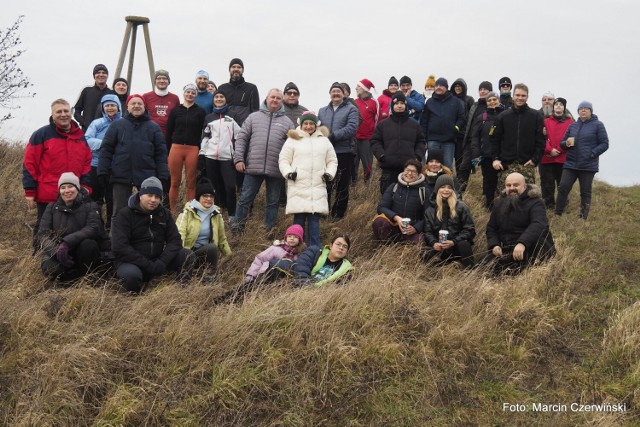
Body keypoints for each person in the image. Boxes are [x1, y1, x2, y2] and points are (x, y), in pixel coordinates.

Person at [111, 177, 194, 293]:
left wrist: (162, 262)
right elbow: (120, 247)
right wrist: (147, 265)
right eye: (149, 195)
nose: (153, 200)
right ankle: (133, 300)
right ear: (140, 195)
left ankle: (182, 290)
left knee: (187, 255)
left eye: (157, 197)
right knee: (131, 276)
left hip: (157, 260)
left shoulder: (164, 214)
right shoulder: (124, 215)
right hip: (132, 262)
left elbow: (175, 241)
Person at [23, 99, 92, 236]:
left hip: (73, 193)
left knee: (69, 229)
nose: (63, 114)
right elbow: (29, 163)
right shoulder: (41, 134)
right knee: (44, 228)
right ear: (52, 115)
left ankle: (65, 256)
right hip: (47, 192)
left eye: (66, 111)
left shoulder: (80, 136)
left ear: (71, 113)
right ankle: (40, 256)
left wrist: (85, 186)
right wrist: (29, 191)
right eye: (58, 112)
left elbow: (87, 163)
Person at [97, 94, 169, 223]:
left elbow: (161, 154)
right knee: (119, 212)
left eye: (139, 104)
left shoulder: (153, 127)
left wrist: (163, 175)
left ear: (144, 107)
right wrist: (102, 171)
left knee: (150, 209)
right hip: (121, 174)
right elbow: (106, 149)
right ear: (127, 107)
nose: (136, 106)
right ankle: (116, 241)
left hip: (147, 175)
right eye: (133, 104)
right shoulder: (117, 125)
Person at [233, 89, 295, 234]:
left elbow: (293, 146)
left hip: (276, 169)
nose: (275, 100)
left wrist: (289, 168)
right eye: (272, 97)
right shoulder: (253, 117)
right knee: (244, 199)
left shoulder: (287, 122)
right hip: (253, 167)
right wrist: (239, 159)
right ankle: (237, 229)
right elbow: (241, 138)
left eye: (278, 98)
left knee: (273, 203)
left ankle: (268, 231)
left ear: (282, 101)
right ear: (266, 99)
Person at [279, 111, 338, 248]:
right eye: (306, 123)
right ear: (301, 124)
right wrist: (289, 173)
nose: (308, 126)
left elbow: (332, 161)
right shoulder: (293, 139)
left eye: (311, 123)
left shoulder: (324, 140)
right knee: (298, 221)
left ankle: (314, 250)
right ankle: (294, 249)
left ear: (315, 125)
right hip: (298, 184)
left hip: (317, 187)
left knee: (314, 221)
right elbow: (283, 160)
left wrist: (329, 174)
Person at [37, 173, 108, 283]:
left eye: (70, 186)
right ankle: (69, 280)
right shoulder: (51, 207)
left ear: (77, 188)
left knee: (89, 244)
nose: (67, 191)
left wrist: (67, 242)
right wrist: (55, 251)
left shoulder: (91, 206)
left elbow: (93, 228)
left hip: (82, 252)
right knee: (50, 268)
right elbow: (43, 234)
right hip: (59, 251)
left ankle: (85, 277)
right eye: (63, 187)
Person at [484, 173, 555, 275]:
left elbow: (538, 224)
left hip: (530, 246)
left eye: (516, 185)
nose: (512, 188)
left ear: (524, 186)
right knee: (487, 268)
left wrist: (522, 243)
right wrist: (494, 244)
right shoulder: (499, 203)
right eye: (508, 185)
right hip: (507, 247)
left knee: (534, 267)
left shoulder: (536, 202)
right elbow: (491, 228)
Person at [554, 101, 609, 220]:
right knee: (563, 187)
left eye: (586, 108)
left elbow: (605, 143)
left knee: (585, 192)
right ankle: (557, 214)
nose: (583, 110)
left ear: (591, 111)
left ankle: (582, 218)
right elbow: (562, 144)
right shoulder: (573, 125)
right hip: (570, 164)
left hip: (588, 165)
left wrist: (592, 153)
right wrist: (566, 143)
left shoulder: (598, 125)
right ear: (578, 111)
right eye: (581, 108)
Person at [318, 82, 360, 221]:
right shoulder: (322, 110)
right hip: (325, 153)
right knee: (326, 184)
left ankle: (338, 214)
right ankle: (324, 211)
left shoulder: (351, 109)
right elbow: (318, 128)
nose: (336, 93)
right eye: (333, 91)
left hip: (344, 152)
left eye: (338, 91)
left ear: (344, 94)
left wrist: (333, 135)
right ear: (330, 94)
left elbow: (352, 128)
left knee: (342, 185)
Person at [491, 83, 545, 189]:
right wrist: (495, 159)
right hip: (506, 165)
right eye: (517, 95)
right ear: (513, 96)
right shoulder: (502, 116)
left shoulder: (536, 116)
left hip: (527, 165)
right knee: (505, 199)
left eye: (523, 96)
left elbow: (541, 141)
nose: (520, 98)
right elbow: (494, 140)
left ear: (527, 97)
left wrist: (535, 159)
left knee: (528, 199)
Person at [370, 92, 426, 193]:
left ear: (406, 105)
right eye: (396, 103)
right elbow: (375, 141)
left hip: (408, 170)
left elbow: (421, 142)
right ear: (392, 106)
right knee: (387, 198)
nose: (399, 106)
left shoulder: (414, 125)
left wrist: (417, 157)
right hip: (389, 168)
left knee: (407, 199)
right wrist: (381, 155)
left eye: (402, 103)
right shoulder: (383, 124)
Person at [200, 90, 242, 220]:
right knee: (214, 187)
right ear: (213, 100)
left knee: (230, 186)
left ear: (225, 99)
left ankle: (232, 215)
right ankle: (216, 214)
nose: (218, 99)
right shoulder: (209, 117)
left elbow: (240, 136)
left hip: (227, 157)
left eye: (221, 97)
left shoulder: (233, 115)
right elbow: (205, 137)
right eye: (216, 97)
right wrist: (202, 154)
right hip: (210, 157)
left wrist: (237, 154)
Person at [165, 84, 206, 212]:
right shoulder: (176, 110)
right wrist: (167, 150)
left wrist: (201, 150)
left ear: (196, 95)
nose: (190, 94)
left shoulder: (200, 111)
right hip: (176, 148)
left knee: (191, 182)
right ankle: (173, 210)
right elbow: (168, 131)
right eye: (188, 92)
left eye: (193, 93)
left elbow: (203, 132)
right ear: (184, 93)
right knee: (175, 181)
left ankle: (190, 210)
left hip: (192, 149)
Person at [176, 177, 231, 274]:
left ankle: (210, 275)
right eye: (205, 196)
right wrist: (182, 255)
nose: (209, 199)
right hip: (188, 253)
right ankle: (186, 275)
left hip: (205, 253)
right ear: (198, 197)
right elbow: (179, 236)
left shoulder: (216, 214)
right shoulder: (187, 212)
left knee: (212, 248)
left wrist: (229, 255)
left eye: (211, 196)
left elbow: (222, 238)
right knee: (189, 254)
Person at [423, 175, 476, 268]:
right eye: (442, 187)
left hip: (456, 246)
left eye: (449, 187)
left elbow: (470, 230)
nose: (446, 190)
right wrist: (434, 243)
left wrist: (453, 242)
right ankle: (433, 273)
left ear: (453, 190)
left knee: (464, 245)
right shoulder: (430, 209)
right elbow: (428, 232)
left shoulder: (461, 207)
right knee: (425, 253)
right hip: (439, 247)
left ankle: (470, 270)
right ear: (437, 189)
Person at [85, 94, 123, 225]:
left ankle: (111, 225)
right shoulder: (97, 123)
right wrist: (106, 143)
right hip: (96, 164)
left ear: (118, 107)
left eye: (113, 105)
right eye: (107, 105)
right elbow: (88, 140)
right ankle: (95, 224)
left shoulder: (123, 123)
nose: (110, 108)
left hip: (116, 166)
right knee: (96, 197)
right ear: (102, 108)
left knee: (112, 198)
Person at [373, 159, 430, 243]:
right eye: (407, 170)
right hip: (393, 225)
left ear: (418, 174)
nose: (409, 173)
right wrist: (397, 218)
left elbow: (428, 216)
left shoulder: (424, 191)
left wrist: (416, 228)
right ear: (403, 171)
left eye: (414, 171)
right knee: (379, 222)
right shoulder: (394, 186)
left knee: (419, 242)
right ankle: (387, 246)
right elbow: (381, 207)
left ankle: (404, 247)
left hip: (410, 230)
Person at [420, 77, 466, 170]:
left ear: (446, 87)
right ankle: (431, 183)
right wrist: (424, 138)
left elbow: (462, 117)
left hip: (449, 140)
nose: (438, 87)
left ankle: (446, 184)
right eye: (436, 85)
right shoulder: (429, 102)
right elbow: (424, 121)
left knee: (447, 165)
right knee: (432, 165)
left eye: (441, 85)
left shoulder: (456, 101)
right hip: (432, 139)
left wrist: (456, 128)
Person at [470, 92, 505, 210]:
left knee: (504, 181)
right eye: (489, 100)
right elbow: (474, 137)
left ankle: (504, 205)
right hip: (487, 155)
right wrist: (476, 154)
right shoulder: (482, 118)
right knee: (489, 181)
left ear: (499, 100)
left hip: (504, 155)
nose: (492, 102)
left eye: (494, 99)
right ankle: (489, 206)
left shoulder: (505, 115)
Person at [540, 97, 574, 210]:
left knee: (562, 185)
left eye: (561, 104)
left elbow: (571, 140)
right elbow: (541, 139)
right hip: (547, 158)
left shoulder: (571, 122)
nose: (558, 106)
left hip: (563, 159)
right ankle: (548, 207)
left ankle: (561, 208)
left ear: (564, 107)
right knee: (547, 185)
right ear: (553, 107)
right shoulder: (545, 121)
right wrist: (550, 150)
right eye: (556, 104)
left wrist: (559, 150)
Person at [218, 58, 260, 127]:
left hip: (244, 130)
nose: (236, 69)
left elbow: (255, 112)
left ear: (242, 70)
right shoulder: (222, 88)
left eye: (239, 67)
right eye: (233, 67)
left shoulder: (251, 88)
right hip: (225, 128)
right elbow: (217, 109)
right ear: (229, 70)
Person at [73, 64, 114, 130]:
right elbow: (77, 110)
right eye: (98, 73)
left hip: (106, 132)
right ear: (94, 76)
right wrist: (83, 122)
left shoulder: (112, 93)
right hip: (87, 131)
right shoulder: (87, 91)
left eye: (104, 73)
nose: (101, 75)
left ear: (107, 76)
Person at [353, 78, 379, 184]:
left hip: (367, 139)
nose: (356, 88)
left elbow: (377, 120)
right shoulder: (354, 102)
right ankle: (353, 184)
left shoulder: (374, 102)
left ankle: (368, 185)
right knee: (353, 163)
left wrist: (373, 135)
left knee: (367, 163)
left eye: (359, 86)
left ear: (365, 89)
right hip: (354, 138)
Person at [143, 70, 181, 135]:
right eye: (159, 78)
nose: (162, 81)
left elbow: (178, 117)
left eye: (164, 78)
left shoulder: (175, 98)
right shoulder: (146, 97)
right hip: (150, 134)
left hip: (168, 135)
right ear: (155, 81)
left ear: (168, 81)